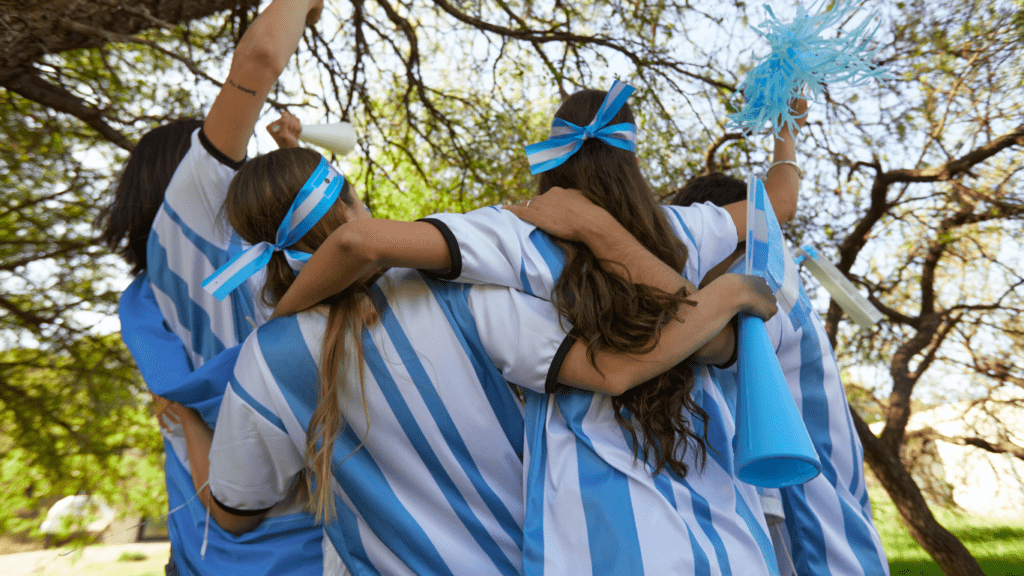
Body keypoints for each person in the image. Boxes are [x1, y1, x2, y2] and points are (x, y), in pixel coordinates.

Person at [157, 143, 779, 574]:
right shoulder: (464, 297)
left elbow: (234, 512)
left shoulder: (264, 364)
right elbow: (616, 368)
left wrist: (189, 423)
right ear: (349, 200)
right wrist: (722, 295)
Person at [271, 82, 807, 574]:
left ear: (553, 152)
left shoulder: (514, 231)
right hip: (709, 492)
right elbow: (778, 203)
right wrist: (788, 127)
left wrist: (276, 323)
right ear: (632, 153)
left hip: (595, 515)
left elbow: (356, 243)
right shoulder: (682, 228)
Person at [98, 0, 327, 574]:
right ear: (181, 181)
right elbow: (258, 59)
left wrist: (291, 158)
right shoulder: (190, 215)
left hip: (207, 549)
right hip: (296, 548)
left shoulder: (159, 295)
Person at [670, 173, 890, 576]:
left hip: (818, 543)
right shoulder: (778, 282)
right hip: (836, 531)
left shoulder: (759, 286)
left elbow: (696, 340)